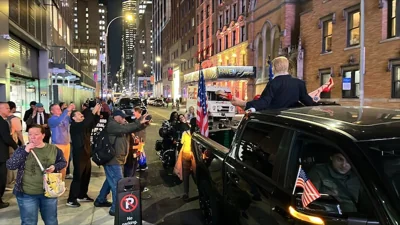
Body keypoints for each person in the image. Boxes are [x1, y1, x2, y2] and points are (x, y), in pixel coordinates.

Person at [6, 125, 67, 225]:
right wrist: (26, 151)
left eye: (36, 134)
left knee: (51, 221)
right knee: (29, 222)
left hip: (49, 192)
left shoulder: (54, 149)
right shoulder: (22, 150)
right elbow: (11, 165)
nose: (32, 137)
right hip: (27, 193)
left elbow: (63, 162)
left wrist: (54, 167)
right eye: (30, 134)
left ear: (43, 135)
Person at [94, 110, 150, 216]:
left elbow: (132, 129)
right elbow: (126, 128)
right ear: (116, 116)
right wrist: (138, 122)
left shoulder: (119, 125)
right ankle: (115, 209)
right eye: (123, 117)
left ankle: (100, 200)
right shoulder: (112, 125)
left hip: (117, 160)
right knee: (117, 185)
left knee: (110, 180)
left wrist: (144, 124)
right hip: (112, 160)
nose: (125, 119)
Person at [230, 56, 315, 111]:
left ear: (274, 67)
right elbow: (308, 102)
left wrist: (242, 103)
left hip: (276, 121)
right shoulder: (299, 83)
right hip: (292, 121)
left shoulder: (273, 84)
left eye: (272, 67)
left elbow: (263, 103)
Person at [66, 104, 101, 207]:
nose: (81, 115)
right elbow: (86, 123)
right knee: (78, 177)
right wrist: (92, 112)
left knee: (86, 175)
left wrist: (97, 113)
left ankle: (82, 195)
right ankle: (71, 199)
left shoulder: (83, 125)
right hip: (79, 153)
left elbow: (92, 123)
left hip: (86, 153)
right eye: (79, 114)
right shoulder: (75, 126)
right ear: (73, 118)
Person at [48, 103, 74, 180]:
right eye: (56, 108)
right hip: (57, 144)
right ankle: (55, 182)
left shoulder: (64, 117)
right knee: (57, 164)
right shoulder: (51, 119)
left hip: (67, 143)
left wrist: (70, 112)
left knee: (64, 164)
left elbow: (71, 120)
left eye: (59, 108)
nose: (59, 109)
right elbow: (58, 121)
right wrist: (66, 111)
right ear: (52, 111)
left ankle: (61, 182)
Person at [0, 102, 18, 208]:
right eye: (7, 108)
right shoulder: (2, 122)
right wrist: (16, 147)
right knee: (2, 178)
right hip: (1, 155)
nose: (9, 110)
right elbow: (6, 138)